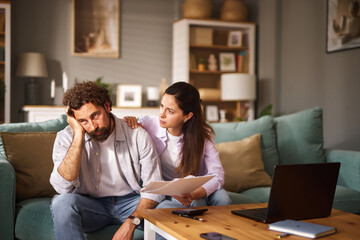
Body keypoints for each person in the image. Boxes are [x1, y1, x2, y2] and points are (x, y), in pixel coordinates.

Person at [49, 81, 164, 240]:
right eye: (83, 121)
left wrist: (132, 222)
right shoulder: (67, 137)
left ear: (107, 106)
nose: (92, 126)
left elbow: (154, 189)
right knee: (61, 203)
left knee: (168, 209)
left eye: (95, 115)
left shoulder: (137, 135)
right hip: (92, 206)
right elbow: (62, 188)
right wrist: (78, 135)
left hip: (131, 202)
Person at [125, 82, 231, 209]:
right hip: (168, 189)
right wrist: (129, 120)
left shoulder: (202, 134)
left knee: (223, 198)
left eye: (170, 111)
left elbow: (217, 174)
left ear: (187, 116)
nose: (162, 114)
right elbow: (125, 129)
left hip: (198, 187)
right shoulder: (148, 124)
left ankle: (218, 228)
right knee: (195, 204)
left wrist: (195, 194)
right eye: (161, 106)